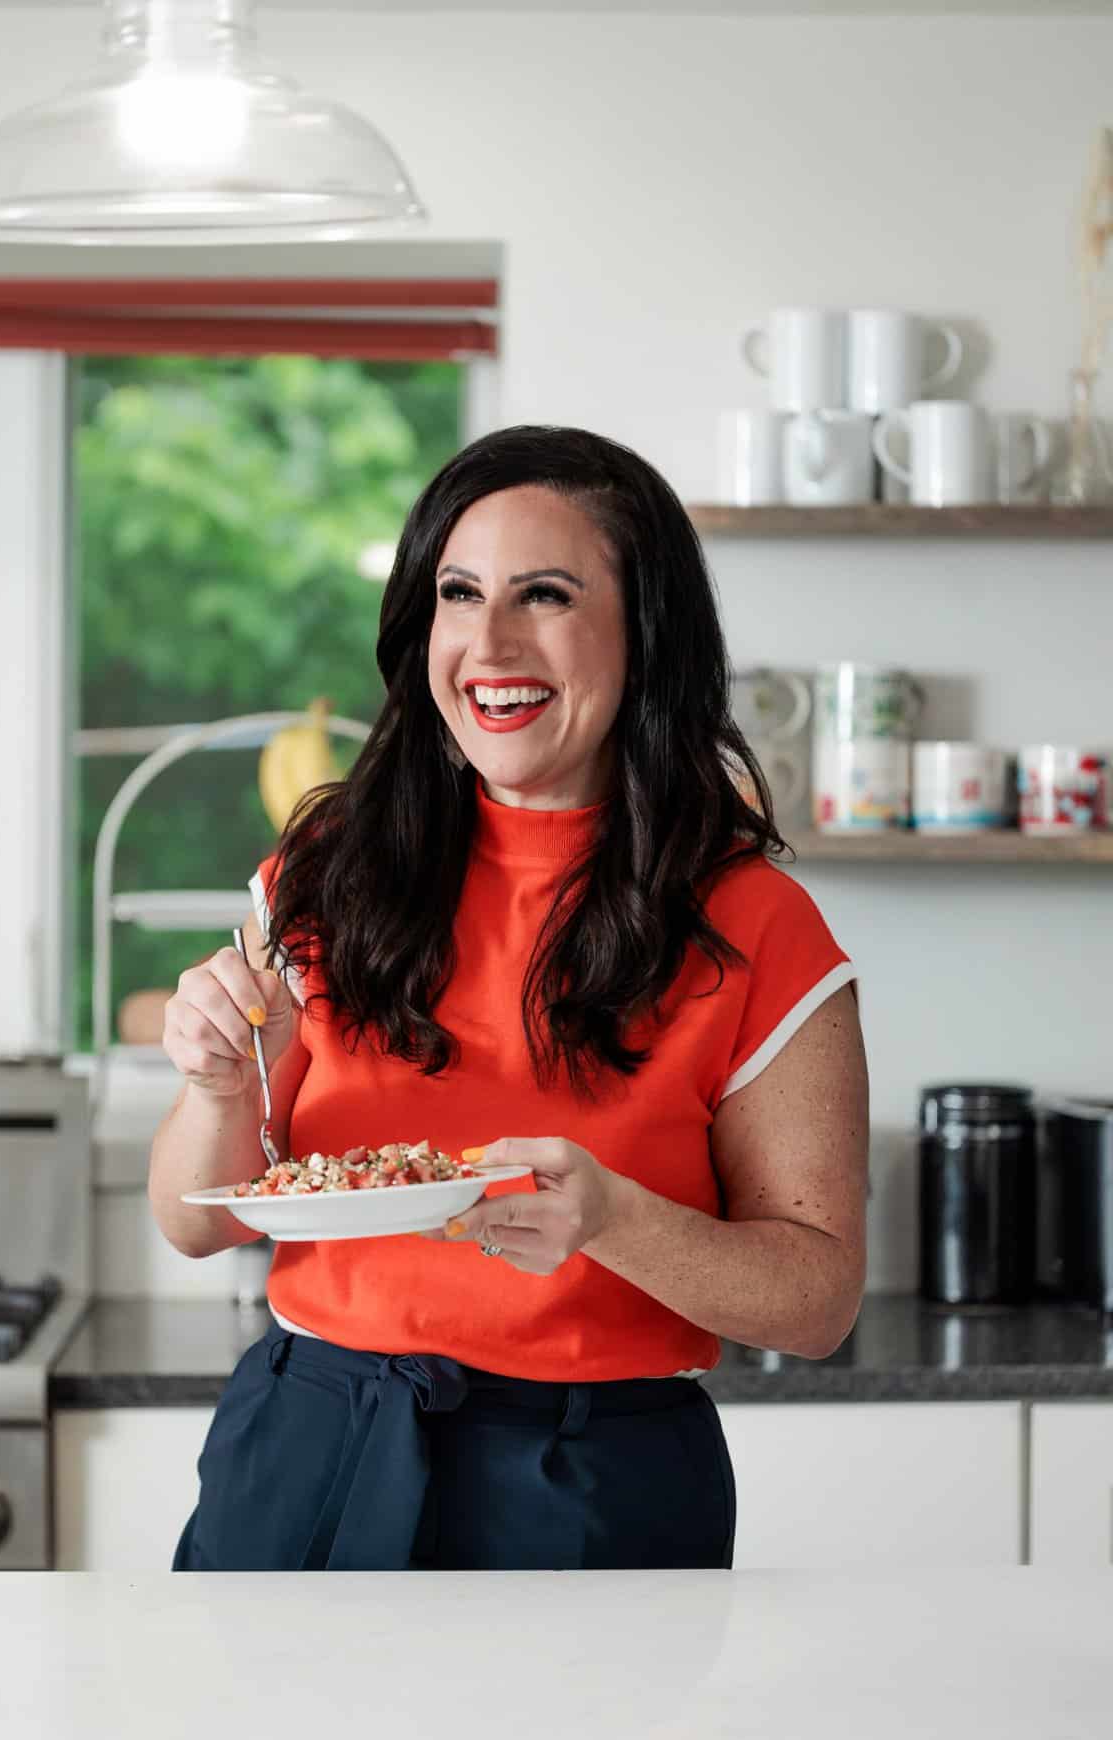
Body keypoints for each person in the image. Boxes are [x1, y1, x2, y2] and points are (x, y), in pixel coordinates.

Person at [149, 423, 869, 1573]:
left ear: (647, 632)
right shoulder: (326, 873)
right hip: (309, 1438)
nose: (489, 641)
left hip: (594, 1477)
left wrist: (615, 1218)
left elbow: (817, 1298)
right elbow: (196, 1217)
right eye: (459, 591)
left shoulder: (756, 923)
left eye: (545, 594)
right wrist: (215, 1084)